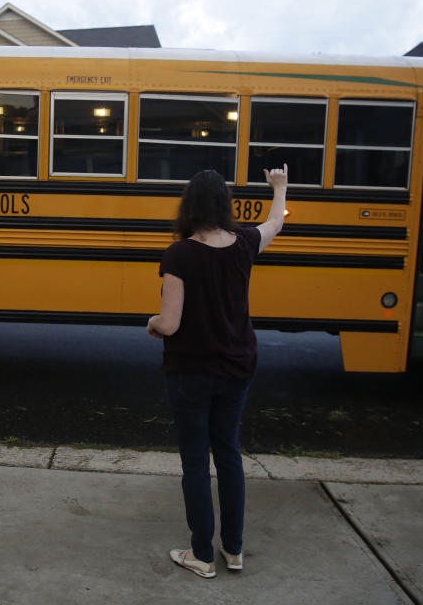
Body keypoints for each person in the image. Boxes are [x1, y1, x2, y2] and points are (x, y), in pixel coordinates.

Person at [147, 164, 288, 578]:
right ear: (225, 205)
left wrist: (151, 324)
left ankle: (201, 556)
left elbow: (169, 324)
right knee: (228, 454)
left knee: (195, 461)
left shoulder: (180, 253)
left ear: (188, 207)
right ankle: (234, 549)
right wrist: (278, 186)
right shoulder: (244, 243)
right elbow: (275, 222)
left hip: (190, 372)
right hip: (236, 368)